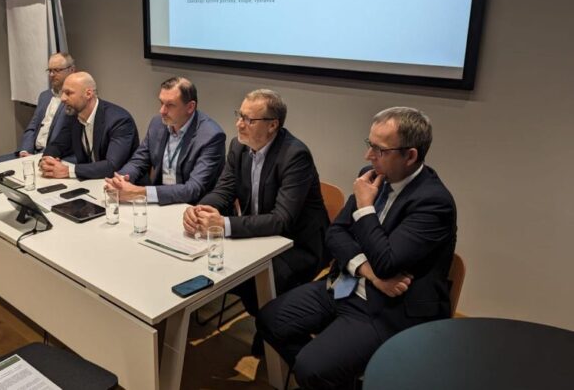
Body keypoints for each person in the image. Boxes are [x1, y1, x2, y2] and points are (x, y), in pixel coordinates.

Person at [256, 107, 457, 390]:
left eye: (380, 149)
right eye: (369, 144)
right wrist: (369, 273)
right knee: (269, 320)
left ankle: (325, 376)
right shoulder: (371, 176)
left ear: (410, 156)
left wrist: (364, 208)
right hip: (348, 283)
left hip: (391, 308)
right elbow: (336, 233)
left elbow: (387, 262)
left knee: (312, 368)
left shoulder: (433, 202)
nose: (368, 156)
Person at [182, 89, 331, 318]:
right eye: (240, 115)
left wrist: (223, 224)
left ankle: (269, 329)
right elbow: (224, 190)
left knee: (250, 280)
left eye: (249, 120)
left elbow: (281, 220)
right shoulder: (238, 146)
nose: (239, 124)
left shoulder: (295, 155)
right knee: (203, 259)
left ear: (272, 125)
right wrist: (199, 209)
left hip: (296, 244)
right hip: (258, 237)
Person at [104, 77, 226, 205]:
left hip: (193, 208)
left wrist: (139, 192)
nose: (162, 111)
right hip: (160, 202)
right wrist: (120, 181)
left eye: (170, 105)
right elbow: (138, 161)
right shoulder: (157, 124)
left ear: (190, 107)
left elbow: (194, 189)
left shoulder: (211, 136)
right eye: (161, 103)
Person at [0, 52, 75, 166]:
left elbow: (68, 137)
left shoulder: (74, 99)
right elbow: (32, 128)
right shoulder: (44, 96)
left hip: (53, 156)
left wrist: (44, 156)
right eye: (49, 70)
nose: (51, 74)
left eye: (56, 70)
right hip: (31, 152)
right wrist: (25, 151)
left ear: (71, 70)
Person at [40, 72, 139, 180]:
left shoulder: (119, 121)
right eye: (62, 92)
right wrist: (48, 160)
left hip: (122, 184)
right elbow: (58, 145)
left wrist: (68, 171)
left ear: (88, 94)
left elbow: (111, 166)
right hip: (90, 181)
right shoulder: (73, 115)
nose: (63, 98)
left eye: (68, 93)